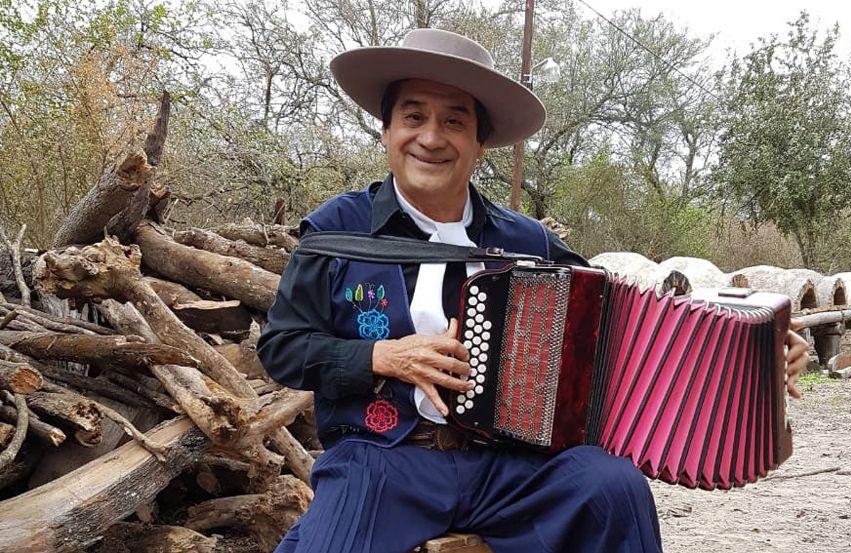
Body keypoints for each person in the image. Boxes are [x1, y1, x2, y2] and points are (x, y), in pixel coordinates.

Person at [259, 28, 810, 553]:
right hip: (382, 460)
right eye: (413, 116)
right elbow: (282, 348)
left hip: (511, 468)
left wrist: (763, 355)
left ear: (479, 142)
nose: (431, 137)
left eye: (454, 120)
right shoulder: (336, 232)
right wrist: (383, 355)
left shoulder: (526, 241)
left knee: (613, 488)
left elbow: (627, 325)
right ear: (387, 131)